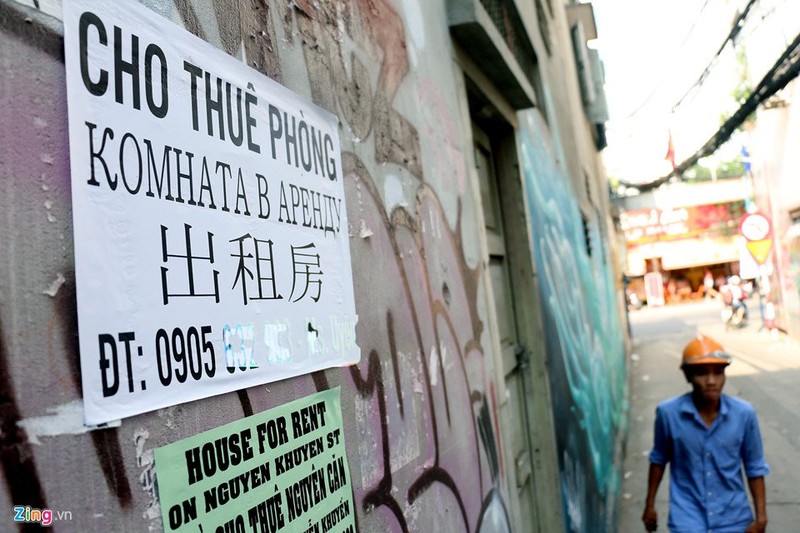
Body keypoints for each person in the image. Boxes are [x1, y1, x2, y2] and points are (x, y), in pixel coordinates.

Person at [642, 335, 769, 532]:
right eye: (702, 374)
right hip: (687, 520)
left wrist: (761, 518)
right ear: (688, 376)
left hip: (733, 519)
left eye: (718, 373)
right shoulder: (668, 414)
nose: (711, 381)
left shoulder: (744, 414)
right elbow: (658, 459)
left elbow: (755, 467)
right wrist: (649, 505)